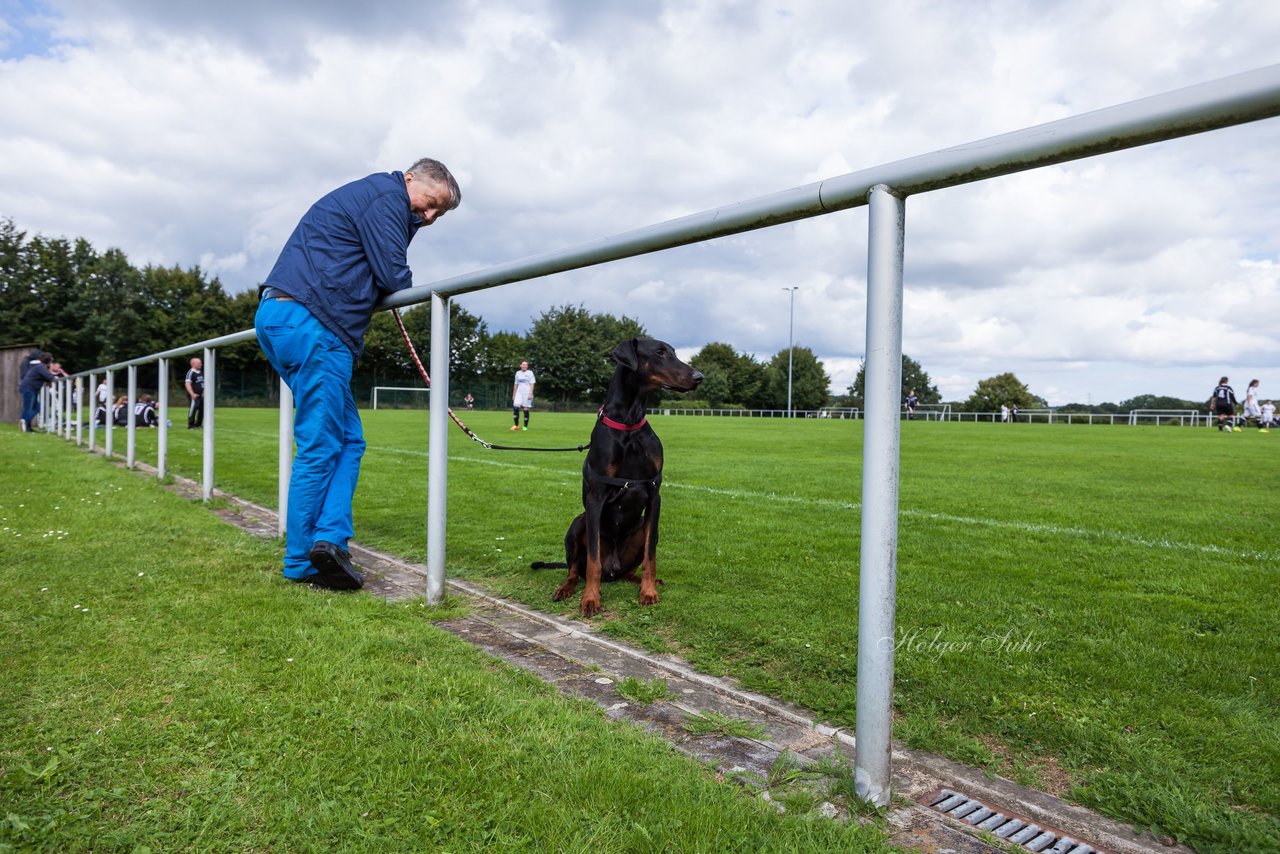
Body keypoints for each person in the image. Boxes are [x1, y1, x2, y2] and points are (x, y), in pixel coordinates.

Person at [255, 157, 460, 589]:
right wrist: (396, 270)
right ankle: (301, 562)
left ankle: (329, 541)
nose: (429, 217)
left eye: (438, 214)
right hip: (314, 325)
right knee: (320, 445)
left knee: (349, 439)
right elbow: (394, 275)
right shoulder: (386, 198)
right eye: (429, 204)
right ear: (410, 180)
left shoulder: (375, 197)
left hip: (284, 318)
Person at [18, 352, 55, 432]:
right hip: (29, 388)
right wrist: (51, 370)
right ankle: (24, 422)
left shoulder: (40, 367)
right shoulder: (41, 367)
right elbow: (50, 377)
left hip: (30, 388)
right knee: (28, 408)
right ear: (49, 361)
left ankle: (25, 424)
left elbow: (45, 377)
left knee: (36, 408)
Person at [511, 360, 535, 431]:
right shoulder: (518, 373)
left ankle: (525, 426)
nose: (524, 366)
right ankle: (516, 425)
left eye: (526, 365)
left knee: (525, 408)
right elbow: (516, 384)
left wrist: (530, 393)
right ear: (520, 365)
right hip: (519, 391)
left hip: (527, 391)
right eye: (523, 364)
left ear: (527, 366)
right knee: (515, 407)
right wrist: (514, 394)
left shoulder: (530, 373)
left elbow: (532, 383)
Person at [185, 357, 205, 429]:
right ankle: (191, 425)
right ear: (193, 364)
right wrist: (192, 394)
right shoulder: (190, 372)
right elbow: (187, 384)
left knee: (202, 409)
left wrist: (204, 391)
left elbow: (203, 383)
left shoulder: (200, 372)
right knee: (193, 409)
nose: (201, 364)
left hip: (201, 395)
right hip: (194, 395)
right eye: (199, 363)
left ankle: (198, 424)